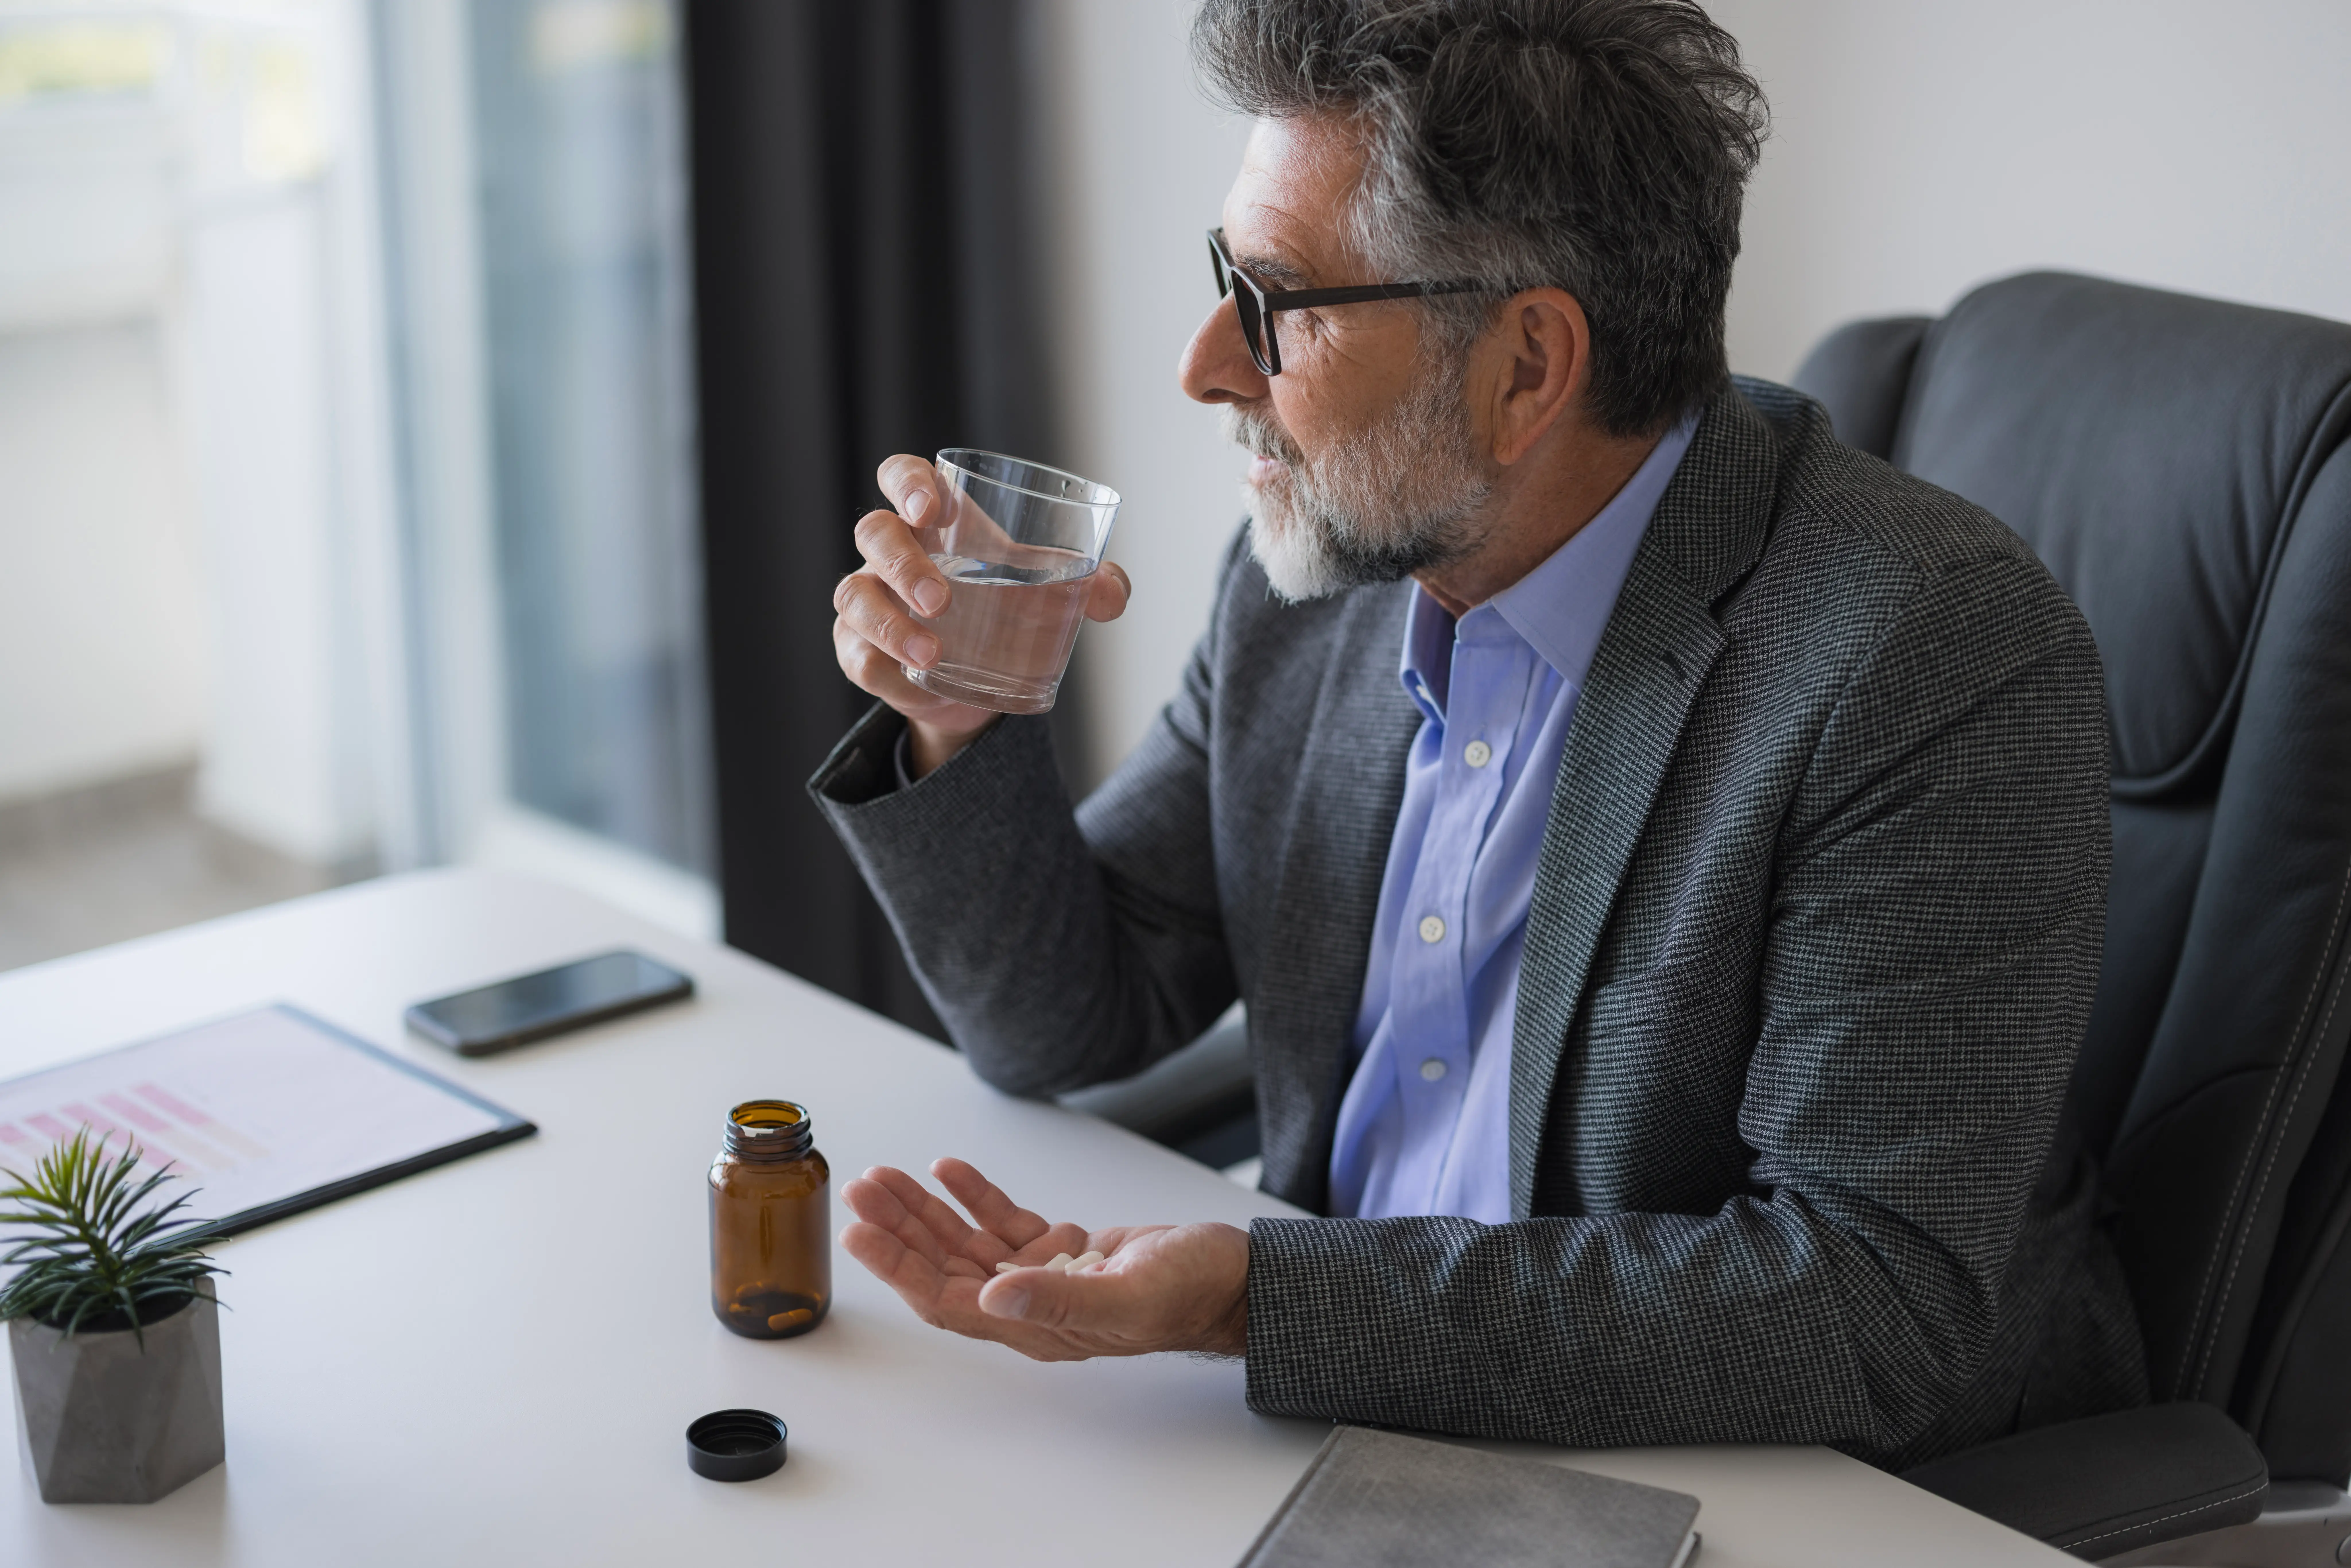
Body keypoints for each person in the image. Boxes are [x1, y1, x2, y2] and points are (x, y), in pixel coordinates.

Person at [811, 0, 2146, 1469]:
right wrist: (953, 719)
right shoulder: (1316, 583)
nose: (1204, 364)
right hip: (1333, 1431)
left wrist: (1256, 1300)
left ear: (1525, 367)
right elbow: (1074, 1011)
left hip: (1755, 1481)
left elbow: (1860, 1307)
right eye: (1221, 279)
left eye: (1274, 303)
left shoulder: (1926, 656)